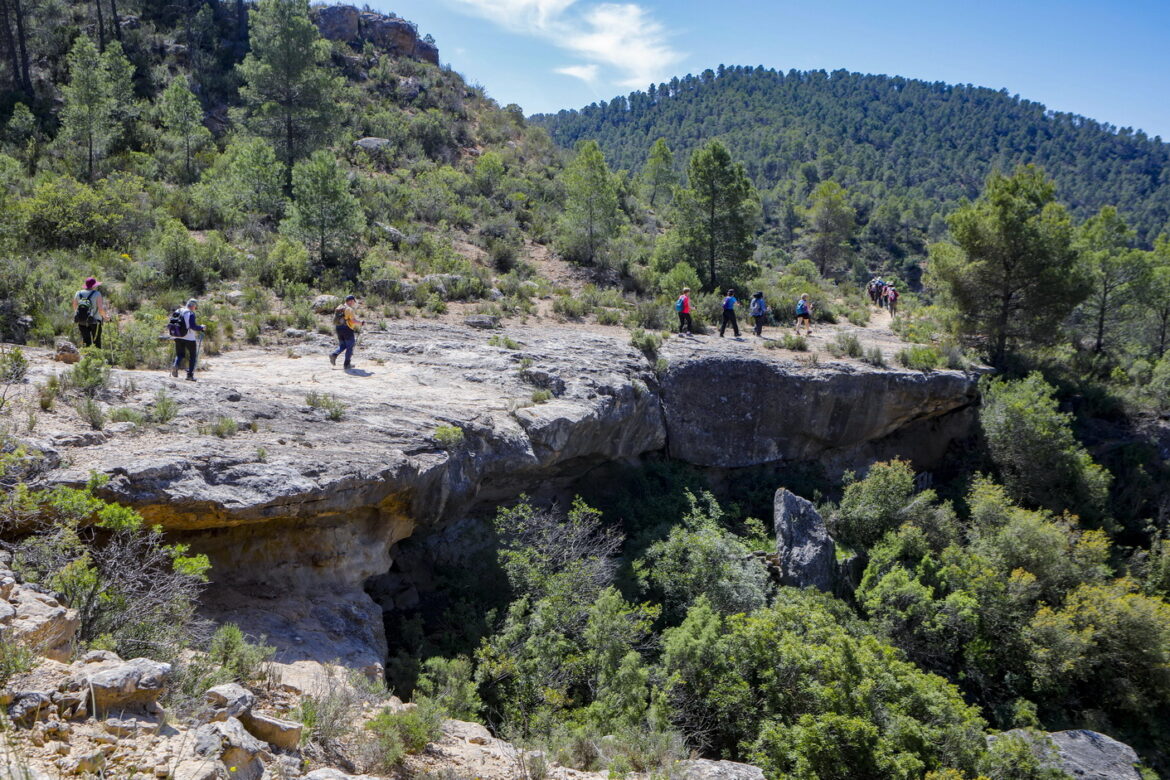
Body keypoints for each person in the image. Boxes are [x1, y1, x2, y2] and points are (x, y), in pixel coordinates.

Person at [170, 299, 205, 381]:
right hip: (189, 338)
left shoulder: (178, 310)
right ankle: (189, 375)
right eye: (195, 307)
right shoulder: (190, 313)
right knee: (193, 356)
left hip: (177, 336)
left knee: (180, 354)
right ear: (193, 305)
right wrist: (201, 327)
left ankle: (176, 365)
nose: (195, 308)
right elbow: (193, 326)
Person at [72, 277, 108, 349]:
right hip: (95, 322)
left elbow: (75, 306)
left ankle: (87, 358)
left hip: (82, 321)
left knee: (86, 342)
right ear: (94, 285)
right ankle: (97, 358)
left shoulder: (78, 293)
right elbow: (100, 309)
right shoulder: (97, 294)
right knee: (97, 342)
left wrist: (82, 314)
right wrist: (106, 317)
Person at [330, 295, 365, 369]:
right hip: (347, 329)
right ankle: (347, 364)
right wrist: (360, 323)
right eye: (353, 301)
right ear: (351, 301)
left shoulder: (340, 307)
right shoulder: (349, 309)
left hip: (338, 328)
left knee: (343, 345)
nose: (353, 303)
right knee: (350, 346)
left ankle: (334, 354)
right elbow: (353, 320)